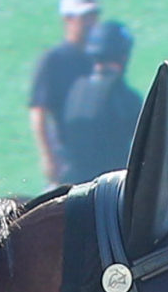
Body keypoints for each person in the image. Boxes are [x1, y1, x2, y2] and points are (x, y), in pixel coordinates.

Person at [25, 0, 102, 183]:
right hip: (69, 160)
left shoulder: (99, 59)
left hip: (100, 158)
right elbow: (39, 112)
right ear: (68, 19)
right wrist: (49, 157)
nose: (90, 23)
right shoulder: (54, 60)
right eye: (84, 17)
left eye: (93, 16)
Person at [55, 19, 144, 187]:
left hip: (70, 187)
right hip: (108, 192)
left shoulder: (76, 89)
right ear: (123, 56)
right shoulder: (125, 97)